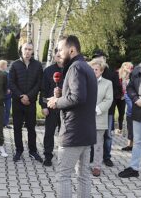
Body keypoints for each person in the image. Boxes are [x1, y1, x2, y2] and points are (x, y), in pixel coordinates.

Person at [47, 35, 97, 197]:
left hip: (73, 132)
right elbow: (81, 95)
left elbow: (77, 98)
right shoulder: (86, 67)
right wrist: (62, 94)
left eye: (60, 49)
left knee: (63, 176)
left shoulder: (75, 68)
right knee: (83, 176)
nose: (58, 53)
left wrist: (57, 102)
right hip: (86, 132)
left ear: (72, 49)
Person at [9, 43, 43, 163]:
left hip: (31, 102)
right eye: (26, 49)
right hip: (17, 102)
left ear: (32, 51)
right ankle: (19, 150)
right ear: (21, 50)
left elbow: (39, 83)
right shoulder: (14, 65)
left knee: (31, 128)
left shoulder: (38, 65)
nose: (28, 52)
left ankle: (33, 151)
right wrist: (21, 96)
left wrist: (28, 96)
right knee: (17, 128)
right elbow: (11, 83)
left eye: (30, 49)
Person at [118, 40, 141, 178]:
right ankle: (134, 168)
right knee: (138, 141)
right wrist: (136, 99)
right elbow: (130, 88)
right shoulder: (137, 69)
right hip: (139, 110)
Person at [92, 49, 119, 167]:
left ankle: (106, 157)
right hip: (93, 111)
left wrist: (106, 103)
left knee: (107, 135)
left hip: (108, 110)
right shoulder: (92, 71)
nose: (98, 59)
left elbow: (117, 90)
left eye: (100, 57)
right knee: (93, 136)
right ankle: (93, 157)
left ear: (105, 58)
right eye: (96, 57)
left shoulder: (112, 73)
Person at [88, 58, 113, 177]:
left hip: (99, 118)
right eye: (92, 69)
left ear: (102, 70)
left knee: (98, 145)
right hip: (85, 118)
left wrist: (96, 109)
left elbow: (108, 100)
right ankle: (83, 164)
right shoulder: (85, 81)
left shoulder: (108, 83)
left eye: (96, 69)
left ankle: (97, 166)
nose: (94, 71)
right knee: (84, 144)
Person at [39, 48, 63, 166]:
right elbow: (43, 90)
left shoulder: (71, 69)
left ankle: (64, 157)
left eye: (61, 54)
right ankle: (48, 156)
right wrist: (44, 106)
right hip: (51, 108)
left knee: (65, 134)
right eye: (57, 55)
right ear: (54, 56)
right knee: (49, 133)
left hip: (66, 108)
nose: (59, 56)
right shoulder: (48, 71)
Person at [0, 60, 12, 129]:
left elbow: (11, 83)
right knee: (0, 110)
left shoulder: (8, 74)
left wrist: (10, 89)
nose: (7, 66)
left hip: (8, 96)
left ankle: (5, 123)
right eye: (6, 65)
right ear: (2, 66)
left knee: (7, 109)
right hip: (0, 96)